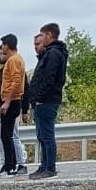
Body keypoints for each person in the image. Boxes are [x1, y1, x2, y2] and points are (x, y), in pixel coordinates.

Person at [25, 22, 68, 179]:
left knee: (47, 135)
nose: (41, 39)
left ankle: (50, 167)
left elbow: (49, 78)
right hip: (43, 101)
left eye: (42, 35)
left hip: (47, 101)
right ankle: (44, 165)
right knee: (42, 135)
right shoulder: (49, 53)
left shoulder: (54, 54)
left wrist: (38, 98)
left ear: (49, 35)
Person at [0, 34, 28, 176]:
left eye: (2, 45)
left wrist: (7, 102)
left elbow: (15, 81)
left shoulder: (14, 60)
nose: (2, 48)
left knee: (7, 135)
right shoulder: (16, 60)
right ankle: (10, 165)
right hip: (12, 100)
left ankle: (10, 166)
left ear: (7, 45)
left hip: (12, 101)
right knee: (6, 135)